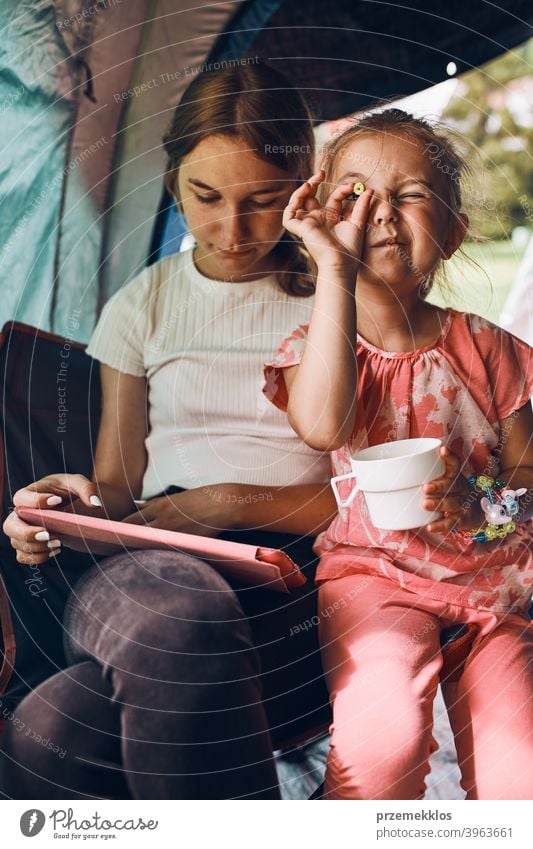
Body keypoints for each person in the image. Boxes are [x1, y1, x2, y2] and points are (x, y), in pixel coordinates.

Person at [0, 62, 336, 800]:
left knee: (49, 735)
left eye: (264, 200)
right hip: (155, 559)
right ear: (172, 178)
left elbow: (378, 503)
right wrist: (54, 513)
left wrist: (229, 500)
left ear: (304, 185)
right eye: (204, 196)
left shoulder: (339, 299)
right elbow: (117, 489)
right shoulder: (144, 303)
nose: (230, 229)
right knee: (172, 608)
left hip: (299, 567)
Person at [263, 108, 533, 799]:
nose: (380, 213)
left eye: (410, 196)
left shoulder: (488, 348)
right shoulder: (319, 347)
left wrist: (478, 501)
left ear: (452, 233)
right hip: (372, 577)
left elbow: (528, 483)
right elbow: (324, 426)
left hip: (491, 586)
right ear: (321, 218)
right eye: (353, 194)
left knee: (519, 780)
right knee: (381, 750)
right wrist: (331, 267)